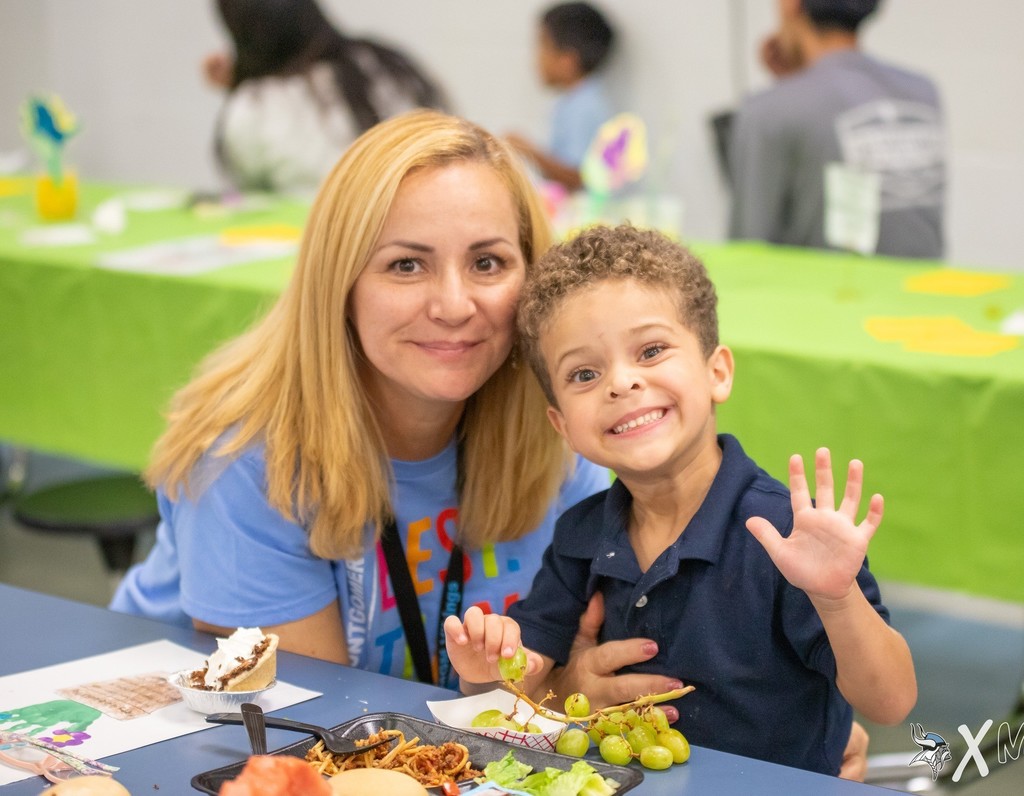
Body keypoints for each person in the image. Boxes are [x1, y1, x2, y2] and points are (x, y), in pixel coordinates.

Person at [108, 110, 687, 705]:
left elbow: (576, 660)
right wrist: (553, 694)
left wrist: (567, 686)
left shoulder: (556, 431)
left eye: (487, 262)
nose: (454, 305)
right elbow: (317, 724)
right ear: (341, 284)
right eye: (406, 265)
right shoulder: (245, 458)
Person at [443, 224, 916, 776]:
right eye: (585, 373)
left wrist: (836, 599)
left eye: (651, 350)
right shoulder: (581, 532)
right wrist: (484, 668)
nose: (621, 383)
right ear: (562, 426)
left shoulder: (787, 532)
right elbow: (527, 674)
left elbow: (891, 701)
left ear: (717, 372)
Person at [727, 0, 945, 259]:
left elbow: (747, 251)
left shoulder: (766, 110)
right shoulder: (922, 93)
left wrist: (785, 92)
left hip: (819, 296)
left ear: (790, 5)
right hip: (920, 296)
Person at [203, 0, 446, 195]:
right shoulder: (382, 64)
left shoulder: (254, 104)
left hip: (307, 236)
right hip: (413, 214)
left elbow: (247, 179)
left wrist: (240, 83)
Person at [506, 2, 616, 192]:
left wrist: (530, 152)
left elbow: (578, 177)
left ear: (568, 60)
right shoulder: (572, 102)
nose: (537, 59)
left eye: (543, 47)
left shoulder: (584, 107)